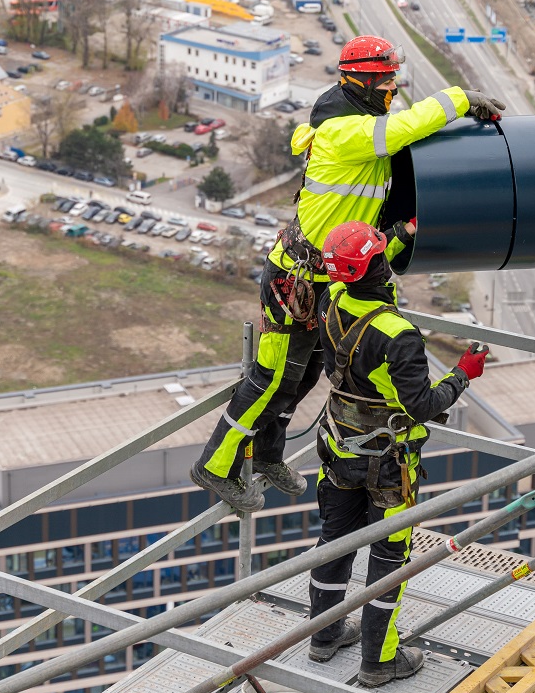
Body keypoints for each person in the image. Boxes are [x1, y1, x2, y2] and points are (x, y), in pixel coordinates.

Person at [189, 36, 505, 513]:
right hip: (294, 277)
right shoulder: (344, 130)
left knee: (308, 372)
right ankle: (215, 465)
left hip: (325, 279)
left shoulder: (362, 119)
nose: (393, 86)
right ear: (361, 80)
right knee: (273, 377)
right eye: (387, 78)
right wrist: (460, 99)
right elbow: (402, 130)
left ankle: (269, 455)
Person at [304, 219, 488, 686]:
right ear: (376, 266)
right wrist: (462, 375)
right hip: (388, 465)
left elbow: (371, 280)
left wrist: (402, 233)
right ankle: (378, 662)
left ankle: (323, 638)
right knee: (388, 561)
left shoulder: (332, 300)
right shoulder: (399, 335)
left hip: (340, 449)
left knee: (335, 541)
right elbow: (423, 405)